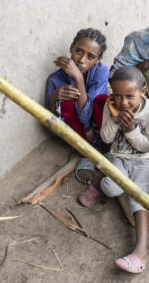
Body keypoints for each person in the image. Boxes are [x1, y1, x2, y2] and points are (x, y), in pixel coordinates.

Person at [99, 66, 149, 274]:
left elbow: (148, 146)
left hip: (144, 160)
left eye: (129, 96)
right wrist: (115, 118)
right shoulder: (112, 105)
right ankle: (113, 181)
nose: (123, 102)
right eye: (117, 96)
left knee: (138, 197)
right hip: (119, 158)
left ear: (143, 92)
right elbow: (106, 139)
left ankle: (140, 251)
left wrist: (131, 129)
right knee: (111, 189)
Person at [45, 28, 108, 186]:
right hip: (80, 135)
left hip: (103, 128)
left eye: (90, 56)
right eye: (79, 51)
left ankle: (103, 147)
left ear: (98, 59)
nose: (81, 60)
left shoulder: (101, 72)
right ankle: (90, 152)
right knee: (65, 101)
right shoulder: (55, 80)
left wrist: (79, 79)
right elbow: (53, 130)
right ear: (71, 48)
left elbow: (86, 115)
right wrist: (53, 99)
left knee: (103, 100)